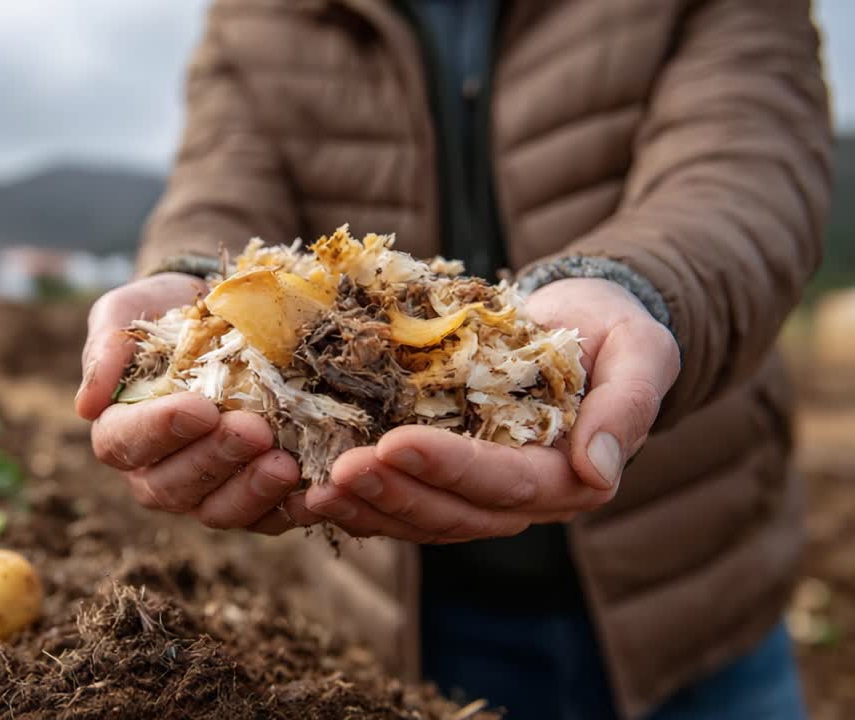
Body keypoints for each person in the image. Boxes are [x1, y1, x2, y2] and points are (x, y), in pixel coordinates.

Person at [75, 1, 835, 718]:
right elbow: (223, 183)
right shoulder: (263, 14)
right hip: (402, 621)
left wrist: (631, 288)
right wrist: (192, 294)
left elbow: (742, 164)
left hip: (697, 594)